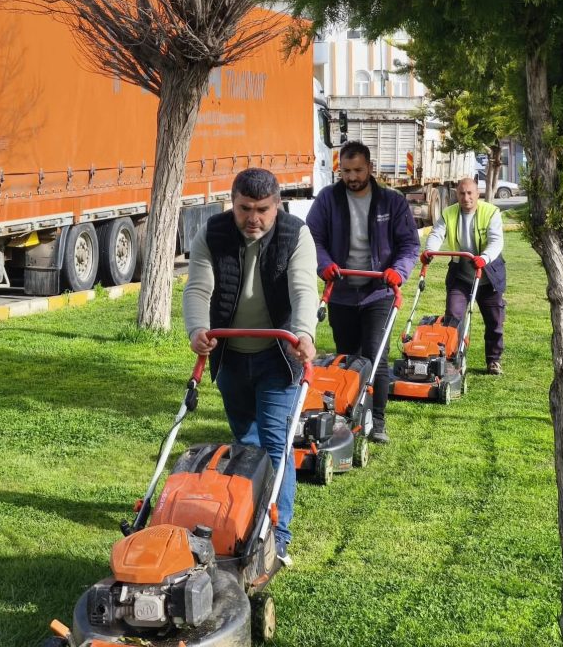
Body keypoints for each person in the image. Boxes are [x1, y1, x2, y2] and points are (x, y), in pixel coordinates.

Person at [183, 168, 319, 568]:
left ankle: (278, 536)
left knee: (276, 444)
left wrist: (303, 334)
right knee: (245, 441)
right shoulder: (213, 233)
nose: (253, 218)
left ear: (277, 205)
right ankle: (245, 516)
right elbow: (198, 287)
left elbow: (303, 289)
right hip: (231, 355)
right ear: (233, 203)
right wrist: (197, 329)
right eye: (244, 209)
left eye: (262, 210)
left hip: (279, 356)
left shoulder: (296, 235)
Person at [306, 141, 420, 444]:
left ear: (370, 167)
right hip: (341, 291)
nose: (352, 177)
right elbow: (312, 237)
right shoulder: (328, 200)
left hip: (379, 291)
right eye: (346, 171)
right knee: (347, 358)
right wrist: (324, 264)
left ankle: (377, 420)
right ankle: (348, 413)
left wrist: (398, 271)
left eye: (357, 170)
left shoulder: (391, 202)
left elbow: (409, 244)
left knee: (376, 355)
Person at [422, 176, 507, 375]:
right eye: (462, 193)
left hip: (488, 276)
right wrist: (430, 251)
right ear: (456, 195)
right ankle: (452, 358)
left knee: (495, 322)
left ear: (478, 194)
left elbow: (496, 241)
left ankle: (493, 360)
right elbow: (437, 233)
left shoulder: (491, 212)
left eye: (470, 193)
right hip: (460, 276)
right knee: (453, 317)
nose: (466, 197)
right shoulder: (449, 213)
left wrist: (484, 258)